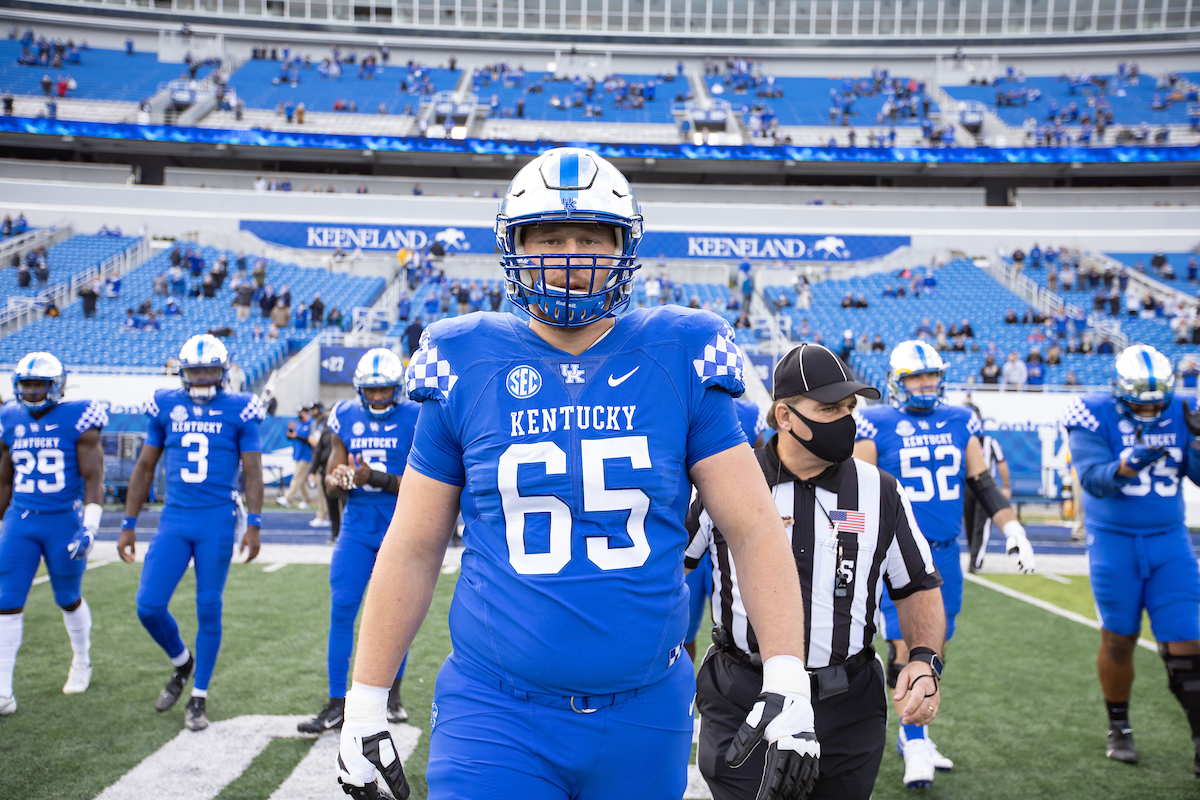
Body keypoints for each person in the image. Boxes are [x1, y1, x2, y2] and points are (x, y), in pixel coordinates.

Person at [337, 148, 816, 800]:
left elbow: (755, 528)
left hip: (644, 709)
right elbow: (415, 544)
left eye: (590, 237)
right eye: (550, 238)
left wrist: (787, 674)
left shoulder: (679, 349)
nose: (569, 254)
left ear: (624, 247)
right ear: (516, 247)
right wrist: (365, 700)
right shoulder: (463, 355)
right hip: (495, 709)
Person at [691, 344, 946, 800]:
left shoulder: (880, 489)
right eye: (830, 408)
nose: (846, 419)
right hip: (746, 693)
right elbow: (667, 569)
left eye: (850, 406)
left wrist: (926, 659)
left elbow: (916, 586)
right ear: (784, 416)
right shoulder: (726, 479)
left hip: (847, 701)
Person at [854, 340, 1035, 788]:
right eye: (916, 377)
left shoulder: (959, 419)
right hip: (897, 551)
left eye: (932, 375)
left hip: (945, 550)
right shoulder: (874, 422)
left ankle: (916, 732)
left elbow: (983, 482)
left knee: (935, 646)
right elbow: (855, 488)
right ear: (897, 380)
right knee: (904, 646)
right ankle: (913, 739)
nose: (926, 384)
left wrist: (1013, 529)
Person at [1063, 345, 1200, 774]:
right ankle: (1118, 726)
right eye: (1142, 402)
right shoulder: (1091, 412)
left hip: (1169, 539)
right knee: (1119, 638)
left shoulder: (1185, 408)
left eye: (1158, 401)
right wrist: (1125, 465)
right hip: (1114, 541)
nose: (1152, 409)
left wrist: (1197, 441)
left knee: (1188, 640)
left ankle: (1199, 737)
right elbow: (1094, 482)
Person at [118, 335, 265, 732]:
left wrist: (254, 523)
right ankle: (183, 663)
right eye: (195, 370)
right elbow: (145, 468)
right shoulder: (166, 404)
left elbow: (252, 470)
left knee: (208, 605)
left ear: (223, 371)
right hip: (175, 518)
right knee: (148, 605)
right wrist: (128, 524)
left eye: (209, 370)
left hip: (216, 519)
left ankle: (198, 697)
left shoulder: (240, 408)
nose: (202, 377)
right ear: (182, 372)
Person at [298, 349, 419, 734]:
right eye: (373, 390)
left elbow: (426, 486)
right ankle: (336, 703)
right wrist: (341, 480)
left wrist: (375, 479)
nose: (379, 397)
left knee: (394, 614)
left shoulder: (417, 417)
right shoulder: (346, 415)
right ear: (359, 389)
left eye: (386, 390)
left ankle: (392, 695)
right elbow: (333, 481)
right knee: (343, 608)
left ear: (397, 389)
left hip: (399, 528)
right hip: (356, 528)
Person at [0, 353, 107, 714]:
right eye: (26, 385)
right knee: (7, 600)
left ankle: (82, 660)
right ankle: (3, 691)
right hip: (21, 520)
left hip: (63, 519)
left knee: (67, 596)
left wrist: (90, 526)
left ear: (57, 385)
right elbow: (4, 480)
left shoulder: (78, 416)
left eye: (38, 384)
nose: (31, 392)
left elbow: (94, 478)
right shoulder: (9, 417)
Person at [964, 430, 1009, 572]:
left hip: (985, 486)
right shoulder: (961, 438)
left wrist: (1006, 486)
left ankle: (975, 560)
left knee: (981, 525)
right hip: (967, 486)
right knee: (970, 523)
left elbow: (1001, 463)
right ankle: (973, 554)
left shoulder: (991, 442)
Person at [278, 405, 312, 509]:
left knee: (297, 477)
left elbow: (309, 440)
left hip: (306, 455)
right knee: (301, 480)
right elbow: (291, 436)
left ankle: (288, 498)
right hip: (298, 454)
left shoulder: (311, 425)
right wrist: (290, 431)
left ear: (306, 413)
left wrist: (296, 435)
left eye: (301, 413)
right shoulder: (299, 424)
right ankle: (306, 500)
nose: (299, 415)